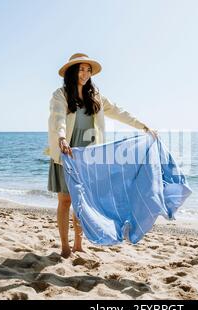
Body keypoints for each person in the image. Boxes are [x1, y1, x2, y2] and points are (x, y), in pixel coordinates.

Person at [47, 53, 157, 258]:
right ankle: (64, 247)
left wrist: (142, 126)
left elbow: (118, 111)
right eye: (81, 69)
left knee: (81, 201)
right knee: (65, 201)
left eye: (88, 70)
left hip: (89, 158)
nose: (85, 73)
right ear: (72, 72)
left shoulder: (95, 95)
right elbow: (58, 118)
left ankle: (78, 244)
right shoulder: (60, 95)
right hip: (67, 154)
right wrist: (61, 138)